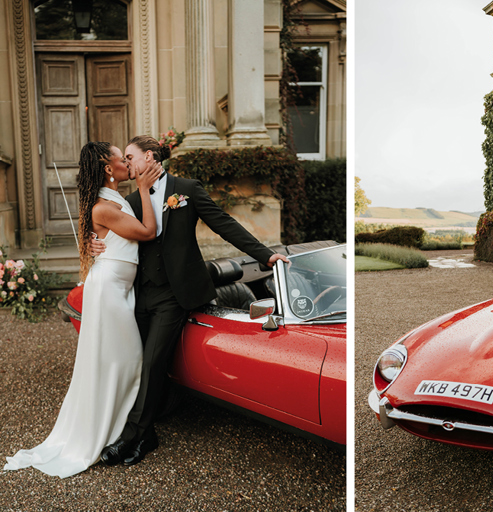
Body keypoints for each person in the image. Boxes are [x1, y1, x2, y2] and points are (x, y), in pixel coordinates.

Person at [97, 135, 289, 467]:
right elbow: (114, 237)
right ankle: (148, 435)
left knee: (153, 362)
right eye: (124, 158)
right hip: (142, 292)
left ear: (151, 157)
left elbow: (224, 224)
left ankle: (130, 437)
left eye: (131, 157)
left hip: (176, 293)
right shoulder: (128, 199)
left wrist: (266, 254)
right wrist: (95, 245)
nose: (127, 163)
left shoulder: (187, 188)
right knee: (138, 362)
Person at [3, 142, 161, 478]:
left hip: (121, 288)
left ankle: (119, 426)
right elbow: (148, 231)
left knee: (119, 360)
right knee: (127, 359)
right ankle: (109, 429)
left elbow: (117, 235)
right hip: (108, 291)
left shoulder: (116, 199)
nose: (126, 163)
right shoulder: (103, 206)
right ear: (108, 168)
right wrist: (146, 189)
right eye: (121, 158)